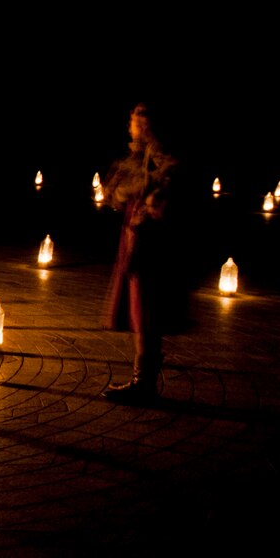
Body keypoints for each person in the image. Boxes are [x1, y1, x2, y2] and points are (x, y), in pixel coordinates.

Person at [102, 101, 188, 403]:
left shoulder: (162, 156)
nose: (129, 125)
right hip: (140, 235)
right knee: (141, 309)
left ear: (145, 124)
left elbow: (163, 190)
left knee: (146, 310)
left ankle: (144, 384)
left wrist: (142, 193)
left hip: (151, 242)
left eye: (134, 120)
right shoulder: (144, 156)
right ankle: (143, 380)